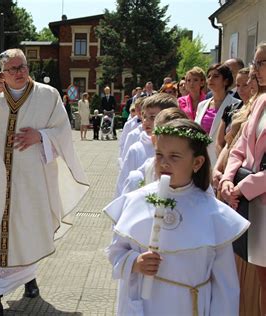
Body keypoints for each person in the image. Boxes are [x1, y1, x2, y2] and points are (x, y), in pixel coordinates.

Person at [0, 48, 89, 314]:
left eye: (22, 67)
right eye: (13, 69)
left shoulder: (48, 95)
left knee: (28, 229)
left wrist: (41, 137)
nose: (19, 73)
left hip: (33, 178)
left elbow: (63, 131)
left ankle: (29, 280)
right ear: (2, 74)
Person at [105, 118, 249, 315]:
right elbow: (115, 251)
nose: (164, 162)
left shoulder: (212, 212)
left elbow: (226, 284)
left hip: (191, 306)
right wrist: (135, 262)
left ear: (197, 162)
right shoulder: (137, 201)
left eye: (174, 156)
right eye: (159, 154)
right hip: (146, 305)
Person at [220, 42, 266, 316]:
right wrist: (227, 179)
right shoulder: (260, 100)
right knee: (262, 280)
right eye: (256, 62)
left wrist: (244, 185)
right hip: (255, 207)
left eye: (261, 62)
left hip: (255, 195)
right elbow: (238, 147)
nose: (256, 68)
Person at [115, 94, 178, 198]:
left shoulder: (180, 149)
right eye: (144, 116)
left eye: (152, 117)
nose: (145, 121)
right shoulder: (136, 149)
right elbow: (123, 182)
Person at [195, 63, 239, 167]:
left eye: (216, 76)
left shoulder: (236, 105)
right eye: (209, 76)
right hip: (201, 158)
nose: (210, 79)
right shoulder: (202, 105)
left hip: (222, 160)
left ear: (226, 81)